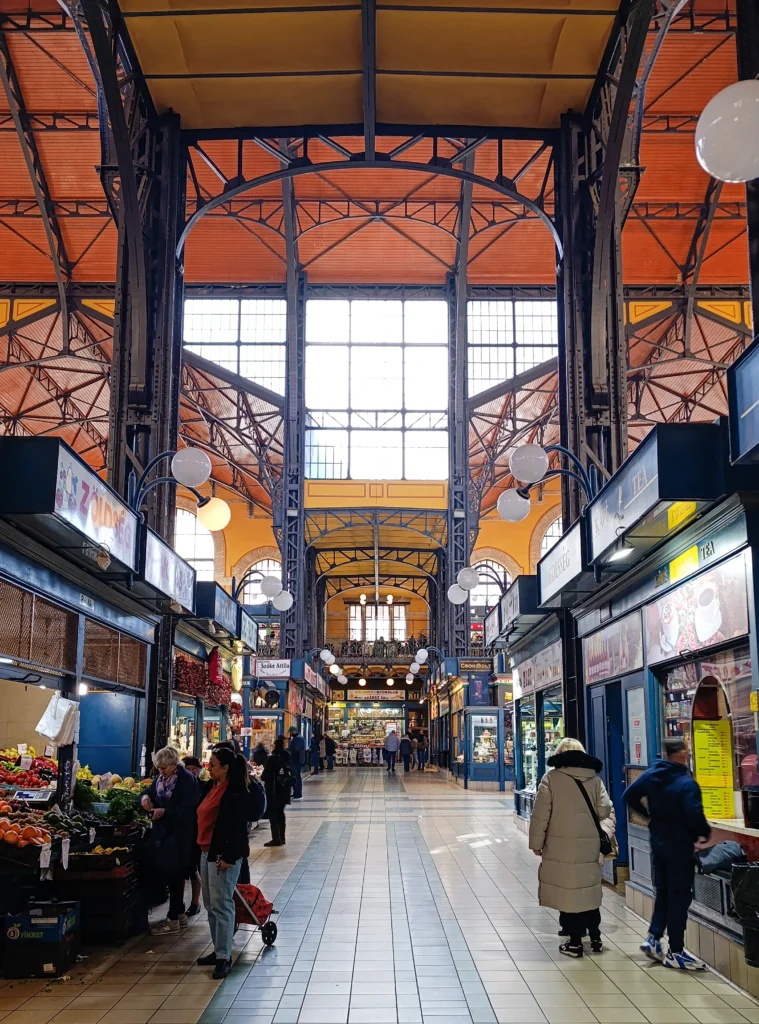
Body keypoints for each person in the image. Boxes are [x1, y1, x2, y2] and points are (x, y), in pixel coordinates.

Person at [624, 736, 711, 970]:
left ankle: (653, 938)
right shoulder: (686, 781)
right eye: (687, 749)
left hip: (658, 844)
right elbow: (694, 814)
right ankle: (676, 951)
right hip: (679, 847)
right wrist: (703, 832)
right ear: (681, 753)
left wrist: (648, 815)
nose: (689, 752)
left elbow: (629, 795)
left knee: (663, 892)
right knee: (679, 898)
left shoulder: (653, 774)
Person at [528, 738, 612, 958]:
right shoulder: (595, 779)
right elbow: (604, 810)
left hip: (559, 844)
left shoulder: (551, 779)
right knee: (587, 888)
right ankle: (595, 938)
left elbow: (540, 815)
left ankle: (575, 943)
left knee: (567, 890)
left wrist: (536, 844)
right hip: (588, 843)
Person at [195, 747, 250, 979]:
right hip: (205, 851)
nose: (209, 768)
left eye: (213, 765)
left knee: (222, 904)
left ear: (225, 768)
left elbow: (238, 828)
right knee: (210, 904)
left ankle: (224, 957)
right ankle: (218, 948)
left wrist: (229, 857)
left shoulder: (233, 791)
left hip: (222, 855)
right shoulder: (210, 787)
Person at [141, 747, 200, 935]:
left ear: (174, 764)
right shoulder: (161, 779)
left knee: (176, 876)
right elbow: (149, 791)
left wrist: (165, 812)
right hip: (165, 835)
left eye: (164, 768)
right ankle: (179, 914)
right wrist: (144, 798)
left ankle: (173, 919)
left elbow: (189, 810)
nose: (161, 771)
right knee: (172, 876)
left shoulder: (186, 781)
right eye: (159, 768)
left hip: (180, 836)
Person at [261, 735, 294, 847]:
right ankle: (282, 837)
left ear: (275, 746)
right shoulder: (287, 756)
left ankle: (276, 838)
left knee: (273, 814)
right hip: (285, 790)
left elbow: (265, 775)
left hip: (274, 790)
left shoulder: (273, 758)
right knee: (280, 813)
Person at [181, 756, 203, 916]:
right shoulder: (178, 786)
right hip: (183, 833)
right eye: (188, 769)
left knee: (196, 870)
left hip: (198, 833)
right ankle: (179, 902)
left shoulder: (204, 786)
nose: (192, 771)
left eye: (194, 769)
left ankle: (195, 902)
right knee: (181, 870)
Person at [288, 726, 305, 798]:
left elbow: (296, 749)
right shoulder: (297, 738)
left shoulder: (298, 738)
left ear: (294, 731)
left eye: (291, 732)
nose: (291, 733)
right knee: (295, 776)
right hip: (297, 760)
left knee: (296, 776)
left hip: (297, 760)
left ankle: (298, 793)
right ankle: (296, 792)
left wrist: (289, 749)